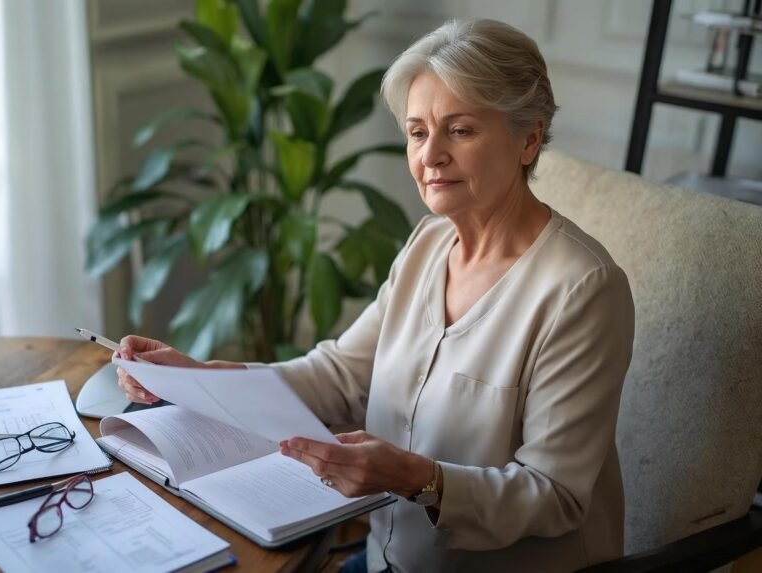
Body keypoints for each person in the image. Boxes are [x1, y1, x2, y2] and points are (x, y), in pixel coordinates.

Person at [115, 18, 634, 573]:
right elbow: (341, 374)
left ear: (528, 137)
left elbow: (555, 497)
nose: (429, 155)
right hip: (388, 555)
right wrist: (198, 378)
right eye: (416, 132)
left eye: (459, 130)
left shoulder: (583, 290)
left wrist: (420, 479)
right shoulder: (428, 243)